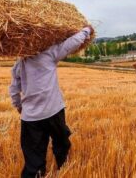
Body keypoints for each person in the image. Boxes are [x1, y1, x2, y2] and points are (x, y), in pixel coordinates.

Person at [9, 26, 93, 178]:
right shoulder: (49, 53)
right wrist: (87, 30)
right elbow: (72, 43)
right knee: (61, 143)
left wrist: (19, 106)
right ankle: (65, 170)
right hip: (54, 111)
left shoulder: (19, 64)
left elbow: (14, 90)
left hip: (31, 118)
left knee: (34, 158)